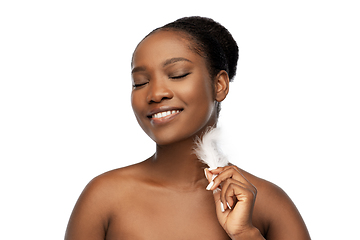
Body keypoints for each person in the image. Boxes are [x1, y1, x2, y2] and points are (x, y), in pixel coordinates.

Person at [65, 16, 310, 240]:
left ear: (220, 85)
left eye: (178, 74)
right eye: (140, 82)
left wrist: (246, 234)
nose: (156, 93)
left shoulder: (269, 205)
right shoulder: (104, 198)